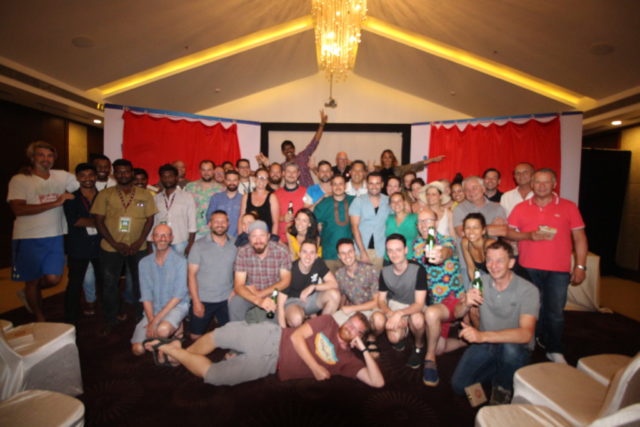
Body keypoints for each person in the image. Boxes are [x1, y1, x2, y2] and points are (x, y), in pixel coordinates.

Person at [148, 312, 384, 388]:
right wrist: (315, 368)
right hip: (271, 338)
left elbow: (378, 382)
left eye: (357, 329)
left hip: (271, 365)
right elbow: (297, 337)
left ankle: (173, 350)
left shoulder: (347, 360)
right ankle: (176, 353)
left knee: (214, 376)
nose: (350, 327)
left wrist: (363, 350)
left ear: (360, 336)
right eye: (351, 322)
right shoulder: (329, 322)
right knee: (220, 335)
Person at [507, 168, 587, 364]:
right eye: (537, 182)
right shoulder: (521, 208)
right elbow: (509, 233)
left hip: (558, 269)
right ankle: (529, 343)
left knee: (555, 311)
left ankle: (554, 348)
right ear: (532, 184)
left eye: (546, 182)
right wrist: (529, 236)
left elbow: (579, 237)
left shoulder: (569, 207)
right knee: (529, 309)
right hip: (527, 267)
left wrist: (580, 266)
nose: (541, 186)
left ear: (554, 184)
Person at [451, 240, 539, 404]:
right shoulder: (480, 282)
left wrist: (482, 336)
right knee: (459, 385)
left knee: (509, 350)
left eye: (500, 260)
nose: (493, 265)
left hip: (514, 347)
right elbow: (456, 313)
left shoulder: (528, 290)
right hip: (486, 343)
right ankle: (503, 370)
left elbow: (526, 334)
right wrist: (465, 303)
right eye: (490, 260)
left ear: (511, 263)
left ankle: (503, 387)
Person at [8, 141, 78, 321]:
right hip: (28, 237)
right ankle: (40, 317)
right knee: (32, 279)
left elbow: (87, 181)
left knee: (54, 279)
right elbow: (18, 209)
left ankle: (28, 292)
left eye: (49, 155)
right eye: (40, 155)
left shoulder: (61, 176)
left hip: (55, 235)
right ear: (32, 158)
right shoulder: (20, 179)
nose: (46, 159)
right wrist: (55, 203)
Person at [92, 158, 157, 334]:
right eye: (119, 172)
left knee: (140, 283)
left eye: (126, 171)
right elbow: (98, 221)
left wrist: (139, 241)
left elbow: (150, 220)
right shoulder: (105, 194)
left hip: (138, 247)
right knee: (109, 284)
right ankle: (110, 319)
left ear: (132, 172)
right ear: (114, 174)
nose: (123, 175)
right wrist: (115, 243)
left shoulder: (144, 195)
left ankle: (141, 316)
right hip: (111, 247)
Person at [412, 209, 465, 385]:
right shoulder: (416, 244)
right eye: (420, 222)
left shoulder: (448, 240)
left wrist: (440, 254)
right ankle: (466, 341)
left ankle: (429, 359)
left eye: (427, 220)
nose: (423, 225)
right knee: (440, 347)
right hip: (431, 299)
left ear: (435, 223)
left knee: (431, 314)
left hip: (451, 299)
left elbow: (445, 252)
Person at [131, 224, 190, 357]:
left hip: (176, 306)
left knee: (162, 330)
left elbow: (178, 296)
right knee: (137, 349)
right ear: (152, 238)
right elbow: (146, 296)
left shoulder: (180, 261)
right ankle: (173, 336)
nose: (162, 238)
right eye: (158, 235)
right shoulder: (144, 263)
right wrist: (151, 319)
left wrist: (155, 322)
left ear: (171, 238)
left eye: (166, 235)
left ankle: (173, 332)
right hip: (154, 308)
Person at [371, 234, 427, 369]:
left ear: (406, 250)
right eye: (390, 250)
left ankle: (419, 346)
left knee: (417, 320)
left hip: (413, 305)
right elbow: (381, 300)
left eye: (398, 250)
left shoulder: (418, 270)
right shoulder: (385, 272)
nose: (394, 254)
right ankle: (402, 334)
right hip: (394, 304)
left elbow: (419, 304)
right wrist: (391, 314)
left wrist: (400, 314)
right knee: (393, 338)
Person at [229, 220, 292, 322]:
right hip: (252, 294)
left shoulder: (281, 251)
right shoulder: (243, 252)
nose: (258, 240)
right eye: (254, 236)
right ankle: (238, 330)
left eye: (262, 235)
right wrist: (258, 300)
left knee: (271, 325)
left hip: (274, 293)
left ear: (268, 236)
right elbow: (239, 285)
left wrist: (261, 294)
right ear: (249, 238)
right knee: (235, 303)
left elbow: (285, 281)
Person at [188, 210, 237, 339]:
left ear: (228, 224)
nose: (220, 224)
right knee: (195, 337)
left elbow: (240, 270)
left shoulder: (235, 244)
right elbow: (191, 275)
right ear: (209, 224)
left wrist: (235, 290)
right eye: (216, 221)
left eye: (223, 221)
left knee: (233, 336)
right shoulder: (198, 245)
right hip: (204, 299)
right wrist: (196, 302)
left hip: (227, 299)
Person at [63, 163, 101, 324]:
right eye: (83, 175)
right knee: (74, 283)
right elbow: (75, 220)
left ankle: (108, 313)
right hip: (78, 246)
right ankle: (70, 317)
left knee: (105, 282)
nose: (87, 178)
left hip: (101, 245)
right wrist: (101, 222)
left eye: (90, 175)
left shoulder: (104, 196)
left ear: (96, 176)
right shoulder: (71, 198)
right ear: (77, 178)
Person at [278, 240, 340, 327]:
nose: (308, 256)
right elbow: (280, 304)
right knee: (296, 319)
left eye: (312, 253)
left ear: (316, 256)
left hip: (311, 299)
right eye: (304, 252)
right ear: (299, 254)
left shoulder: (318, 263)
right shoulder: (290, 270)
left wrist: (314, 287)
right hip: (293, 302)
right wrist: (283, 332)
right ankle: (304, 321)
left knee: (335, 295)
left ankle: (321, 328)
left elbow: (334, 283)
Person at [333, 238, 379, 329]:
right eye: (343, 253)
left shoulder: (370, 270)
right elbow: (343, 295)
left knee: (378, 321)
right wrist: (340, 309)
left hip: (370, 310)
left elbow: (377, 302)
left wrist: (352, 308)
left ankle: (372, 336)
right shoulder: (339, 274)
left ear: (355, 252)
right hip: (352, 311)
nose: (347, 256)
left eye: (350, 252)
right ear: (339, 256)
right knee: (333, 321)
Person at [152, 164, 197, 256]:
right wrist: (150, 242)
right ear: (161, 179)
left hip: (180, 241)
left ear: (176, 178)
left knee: (181, 265)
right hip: (160, 241)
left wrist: (191, 243)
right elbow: (153, 222)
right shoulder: (156, 198)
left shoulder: (187, 196)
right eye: (164, 177)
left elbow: (192, 222)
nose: (167, 179)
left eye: (170, 176)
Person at [349, 172, 390, 270]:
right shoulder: (358, 201)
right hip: (361, 250)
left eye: (377, 183)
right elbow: (354, 228)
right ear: (367, 185)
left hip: (380, 251)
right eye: (371, 183)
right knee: (360, 279)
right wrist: (362, 252)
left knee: (378, 279)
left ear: (382, 185)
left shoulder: (389, 201)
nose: (374, 186)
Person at [313, 175, 354, 272]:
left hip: (349, 255)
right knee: (330, 280)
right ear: (331, 186)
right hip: (329, 254)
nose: (338, 187)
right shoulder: (324, 204)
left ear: (345, 186)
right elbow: (313, 225)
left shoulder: (354, 201)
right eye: (335, 184)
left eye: (341, 184)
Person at [279, 110, 328, 188]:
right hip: (293, 193)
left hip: (309, 191)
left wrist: (321, 125)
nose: (288, 151)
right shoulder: (282, 166)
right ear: (283, 152)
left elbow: (314, 142)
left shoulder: (303, 156)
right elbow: (273, 174)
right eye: (285, 149)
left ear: (294, 149)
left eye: (290, 148)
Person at [185, 160, 225, 238]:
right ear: (200, 171)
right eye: (204, 170)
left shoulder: (221, 189)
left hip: (213, 231)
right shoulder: (190, 187)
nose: (206, 173)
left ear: (213, 171)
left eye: (209, 170)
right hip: (194, 230)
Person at [239, 168, 279, 235]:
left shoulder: (272, 197)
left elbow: (275, 222)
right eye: (260, 177)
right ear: (255, 179)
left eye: (265, 178)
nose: (262, 180)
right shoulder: (246, 197)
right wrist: (240, 236)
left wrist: (273, 238)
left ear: (267, 181)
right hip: (249, 236)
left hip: (266, 236)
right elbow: (241, 218)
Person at [274, 162, 307, 243]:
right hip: (281, 241)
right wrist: (282, 218)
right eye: (288, 171)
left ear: (298, 174)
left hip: (301, 241)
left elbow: (310, 215)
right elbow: (271, 217)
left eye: (294, 172)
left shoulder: (306, 192)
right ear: (283, 173)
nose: (291, 174)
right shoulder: (275, 194)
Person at [206, 170, 242, 238]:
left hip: (237, 239)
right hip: (218, 237)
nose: (232, 183)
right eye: (229, 180)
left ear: (239, 181)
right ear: (225, 181)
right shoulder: (216, 198)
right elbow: (209, 217)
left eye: (235, 180)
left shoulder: (243, 199)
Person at [373, 149, 445, 183]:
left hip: (396, 197)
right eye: (385, 157)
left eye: (390, 157)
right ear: (382, 159)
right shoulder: (377, 170)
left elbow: (415, 166)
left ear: (393, 159)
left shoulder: (399, 169)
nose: (387, 159)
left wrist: (433, 159)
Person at [385, 192, 418, 261]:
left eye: (399, 201)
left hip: (409, 258)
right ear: (390, 205)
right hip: (390, 258)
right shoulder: (387, 218)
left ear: (404, 202)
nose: (396, 204)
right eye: (393, 201)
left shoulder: (415, 218)